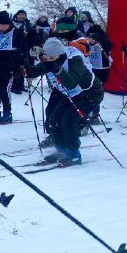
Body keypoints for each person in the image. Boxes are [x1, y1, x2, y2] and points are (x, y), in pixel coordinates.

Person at [26, 37, 103, 166]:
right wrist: (21, 65)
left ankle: (74, 154)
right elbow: (33, 71)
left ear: (59, 54)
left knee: (68, 120)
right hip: (71, 95)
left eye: (51, 58)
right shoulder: (51, 60)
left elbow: (71, 83)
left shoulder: (74, 61)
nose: (48, 60)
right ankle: (62, 150)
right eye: (47, 57)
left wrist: (57, 70)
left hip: (90, 94)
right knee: (53, 119)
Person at [0, 10, 25, 124]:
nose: (1, 27)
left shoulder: (16, 33)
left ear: (8, 24)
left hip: (10, 66)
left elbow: (23, 50)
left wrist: (19, 66)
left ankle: (7, 114)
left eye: (3, 25)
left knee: (3, 89)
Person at [83, 21, 112, 120]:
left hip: (102, 70)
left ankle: (95, 115)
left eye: (91, 38)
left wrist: (99, 40)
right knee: (90, 91)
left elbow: (109, 46)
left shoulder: (102, 42)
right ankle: (92, 113)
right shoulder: (88, 44)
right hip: (92, 69)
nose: (89, 40)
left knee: (96, 91)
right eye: (88, 38)